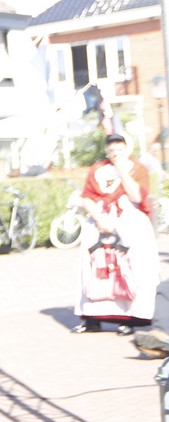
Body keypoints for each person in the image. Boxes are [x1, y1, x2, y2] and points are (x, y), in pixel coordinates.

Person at [74, 134, 157, 333]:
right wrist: (99, 219)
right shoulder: (98, 170)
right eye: (111, 150)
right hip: (100, 221)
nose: (115, 154)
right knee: (95, 268)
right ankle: (93, 318)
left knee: (133, 267)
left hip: (129, 221)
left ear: (126, 149)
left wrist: (122, 170)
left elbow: (137, 196)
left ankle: (131, 318)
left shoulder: (137, 169)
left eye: (119, 149)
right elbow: (87, 197)